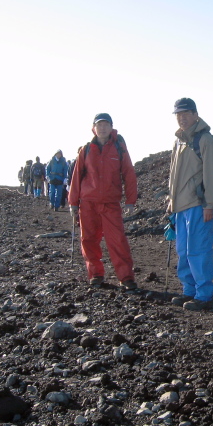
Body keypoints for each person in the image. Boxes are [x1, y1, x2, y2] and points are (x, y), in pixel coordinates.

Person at [68, 113, 139, 292]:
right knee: (89, 239)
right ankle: (95, 275)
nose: (103, 128)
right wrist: (73, 203)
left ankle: (126, 277)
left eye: (106, 125)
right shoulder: (86, 150)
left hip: (110, 203)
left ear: (111, 127)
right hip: (88, 203)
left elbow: (129, 174)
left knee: (117, 241)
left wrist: (131, 200)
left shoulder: (119, 147)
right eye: (99, 125)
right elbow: (76, 177)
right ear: (94, 128)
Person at [167, 98, 213, 311]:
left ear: (196, 114)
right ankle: (189, 290)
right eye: (179, 114)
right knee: (183, 250)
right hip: (180, 206)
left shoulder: (204, 140)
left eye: (186, 113)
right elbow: (173, 175)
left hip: (198, 205)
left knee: (198, 250)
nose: (182, 118)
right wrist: (171, 201)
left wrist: (210, 204)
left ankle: (204, 294)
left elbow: (211, 174)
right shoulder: (178, 141)